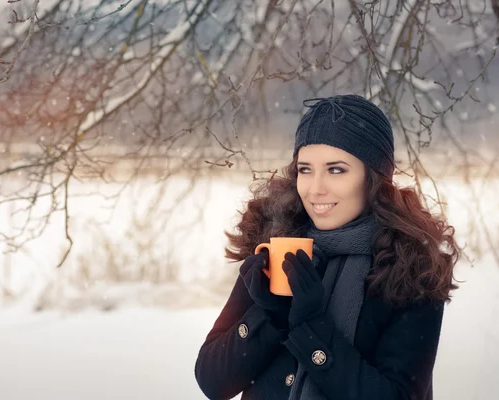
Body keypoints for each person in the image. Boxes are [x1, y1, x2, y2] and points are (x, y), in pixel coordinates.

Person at [194, 94, 459, 400]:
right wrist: (270, 316)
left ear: (373, 178)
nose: (315, 188)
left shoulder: (410, 267)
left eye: (336, 170)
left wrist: (311, 327)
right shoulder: (276, 243)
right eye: (305, 169)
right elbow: (213, 381)